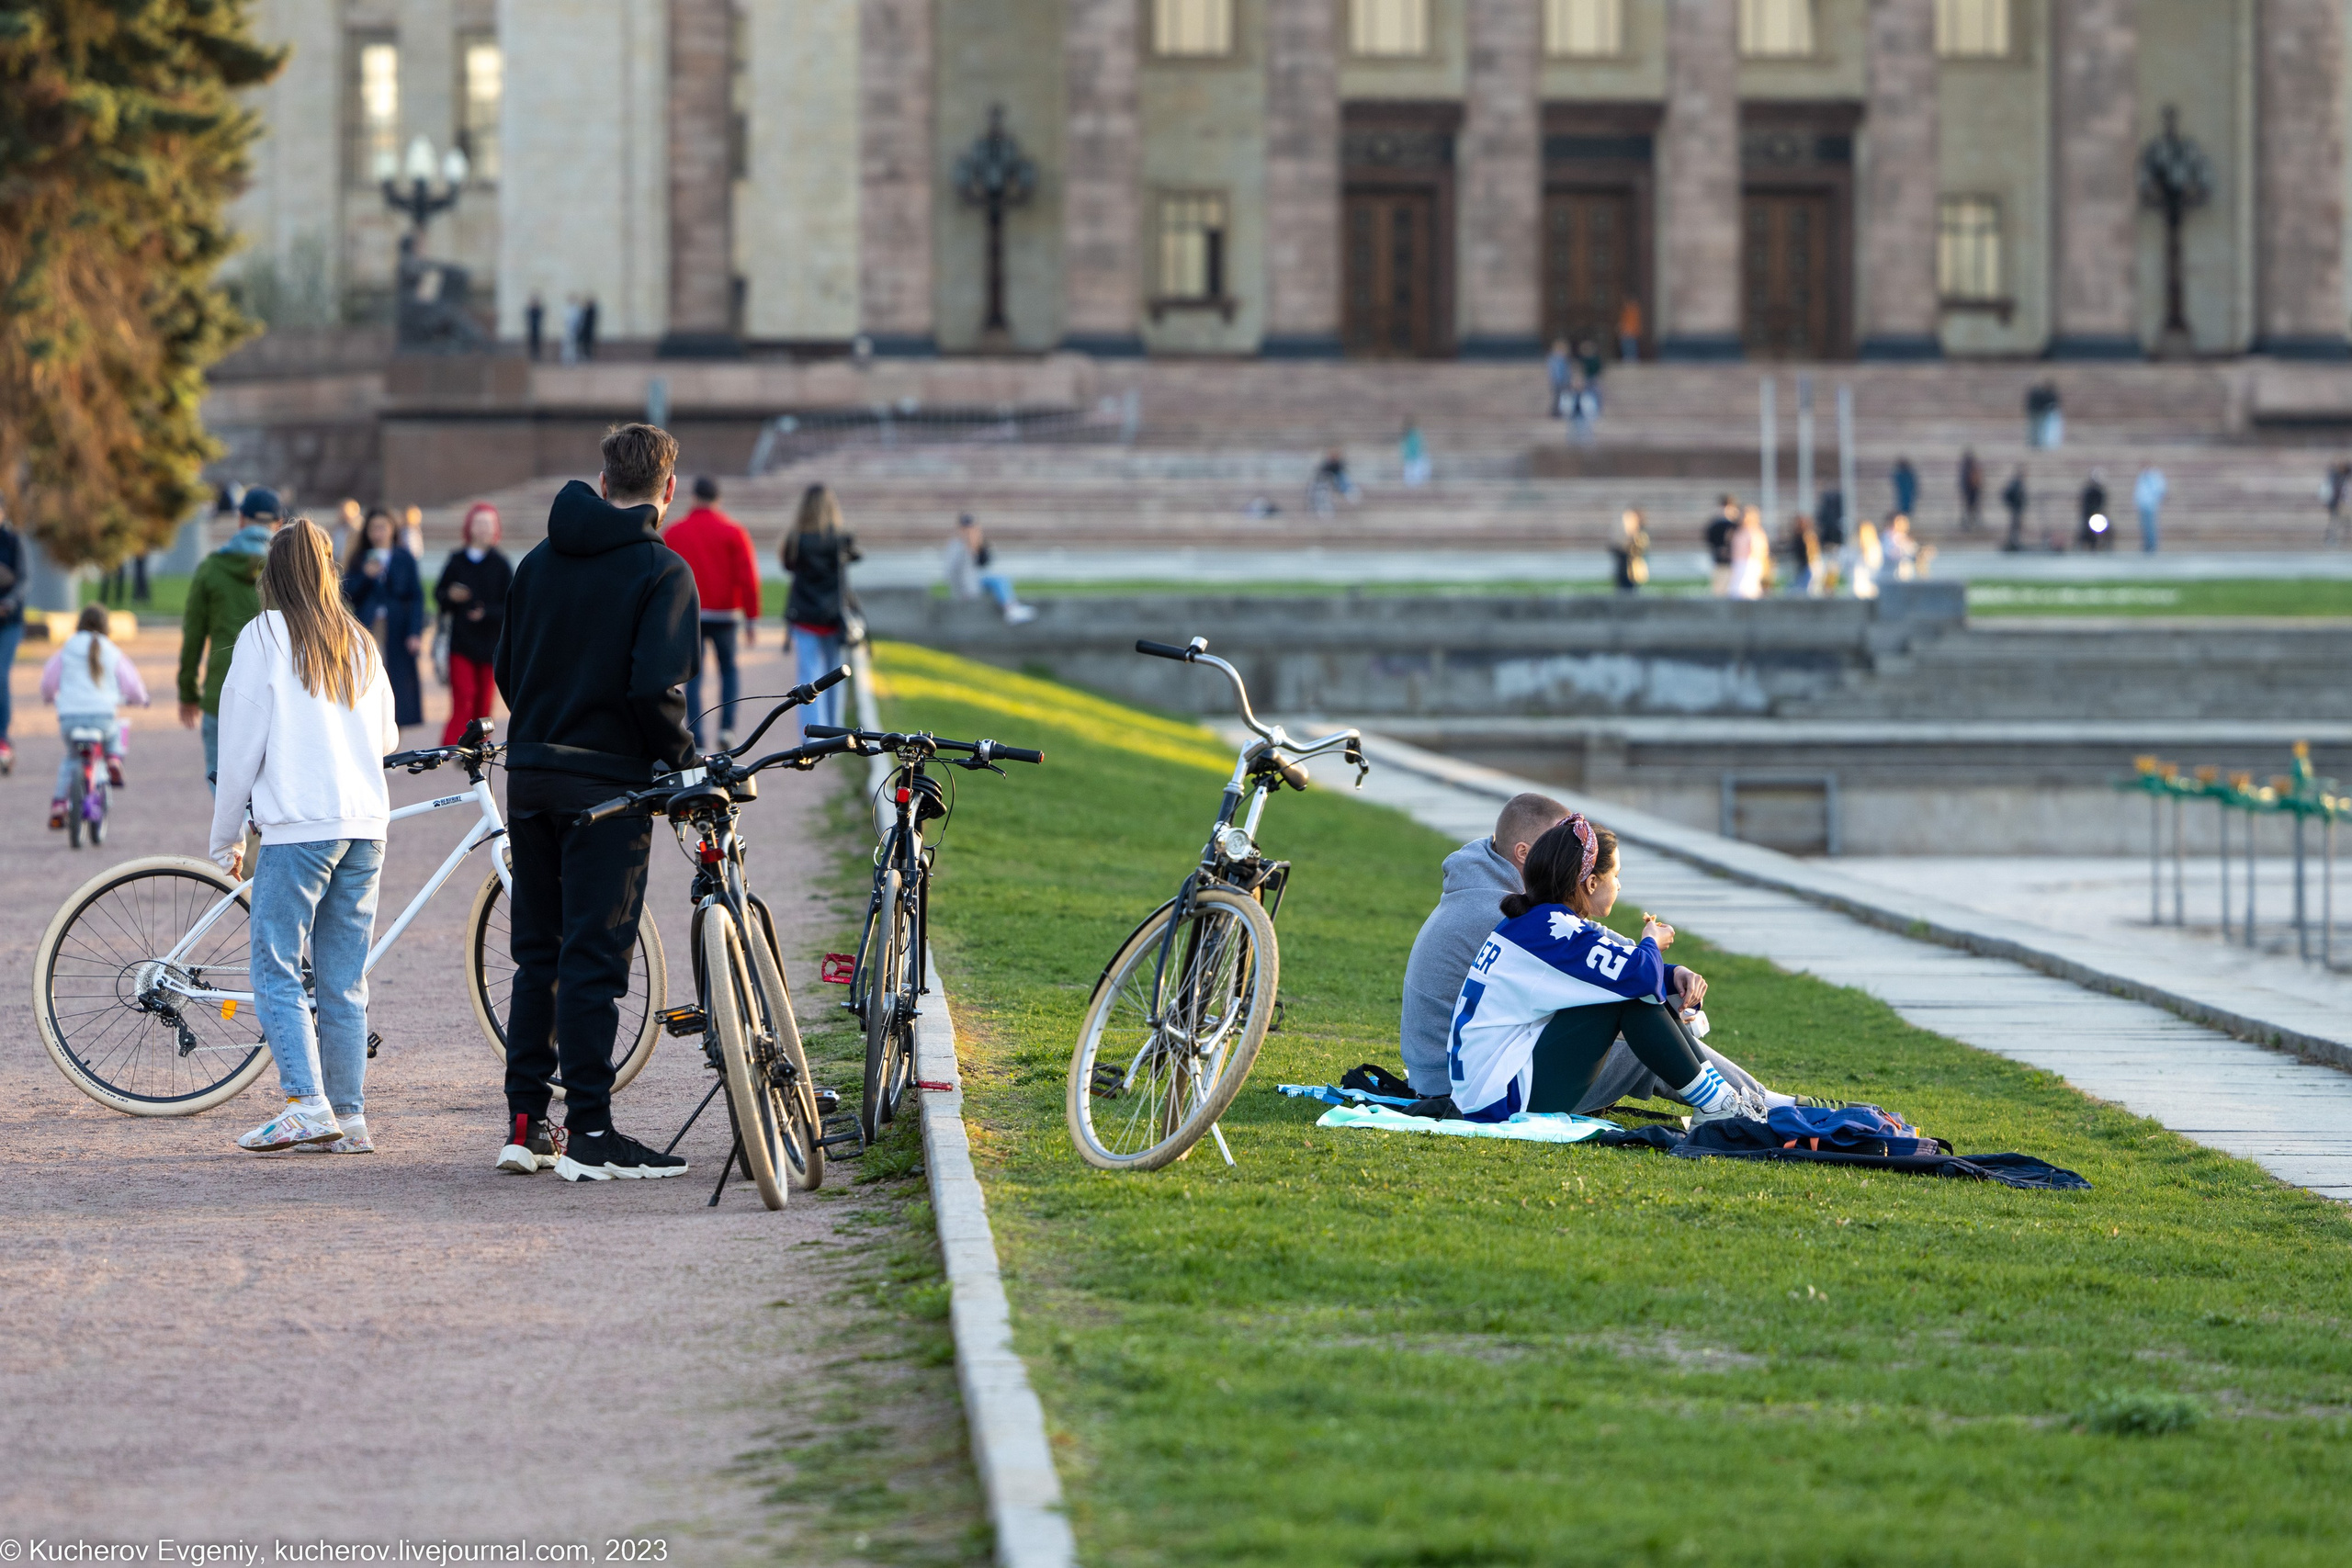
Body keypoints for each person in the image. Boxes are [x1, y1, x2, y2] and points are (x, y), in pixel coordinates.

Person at [493, 423, 699, 1182]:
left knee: (535, 954)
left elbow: (509, 670)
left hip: (533, 772)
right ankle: (590, 1129)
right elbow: (656, 690)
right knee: (594, 956)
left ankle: (524, 1122)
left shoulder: (536, 562)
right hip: (608, 785)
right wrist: (680, 765)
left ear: (603, 480)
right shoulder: (662, 570)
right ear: (667, 490)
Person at [209, 518, 399, 1156]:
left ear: (274, 571)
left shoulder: (263, 635)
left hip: (299, 826)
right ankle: (350, 1115)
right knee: (344, 979)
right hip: (365, 825)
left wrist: (226, 835)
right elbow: (389, 737)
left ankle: (305, 1102)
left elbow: (237, 750)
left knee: (276, 965)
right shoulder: (359, 640)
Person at [1445, 814, 1786, 1125]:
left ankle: (1719, 1101)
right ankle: (1719, 1105)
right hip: (1499, 1100)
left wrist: (1670, 974)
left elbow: (1613, 967)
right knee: (1628, 995)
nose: (1619, 886)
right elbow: (1635, 975)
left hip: (1488, 1091)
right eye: (1616, 876)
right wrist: (1651, 941)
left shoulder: (1539, 922)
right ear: (1591, 883)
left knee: (1626, 988)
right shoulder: (1553, 928)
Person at [180, 485, 284, 792]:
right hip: (274, 689)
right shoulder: (287, 572)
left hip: (223, 689)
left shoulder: (212, 568)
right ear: (278, 524)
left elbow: (193, 636)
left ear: (241, 519)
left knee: (223, 781)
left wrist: (187, 691)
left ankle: (238, 835)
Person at [664, 475, 764, 748]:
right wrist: (752, 619)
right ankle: (726, 729)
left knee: (693, 677)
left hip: (690, 614)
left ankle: (696, 734)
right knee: (729, 670)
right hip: (726, 614)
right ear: (718, 499)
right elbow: (748, 579)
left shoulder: (675, 532)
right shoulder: (733, 531)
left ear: (694, 496)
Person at [41, 604, 150, 827]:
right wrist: (141, 699)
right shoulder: (110, 649)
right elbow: (132, 683)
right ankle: (112, 758)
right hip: (102, 716)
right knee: (113, 734)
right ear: (106, 626)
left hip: (70, 718)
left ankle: (59, 804)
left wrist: (49, 696)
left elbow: (49, 680)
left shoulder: (67, 647)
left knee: (71, 758)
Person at [781, 483, 860, 735]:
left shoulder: (795, 540)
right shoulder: (839, 539)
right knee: (835, 677)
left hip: (805, 616)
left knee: (809, 680)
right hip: (834, 618)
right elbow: (857, 556)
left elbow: (788, 565)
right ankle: (833, 734)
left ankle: (812, 736)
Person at [434, 502, 512, 747]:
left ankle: (478, 746)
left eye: (489, 524)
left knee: (484, 701)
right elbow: (439, 595)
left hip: (490, 644)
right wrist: (451, 596)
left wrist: (486, 612)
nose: (484, 529)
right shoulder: (456, 560)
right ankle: (452, 746)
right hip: (461, 643)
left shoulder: (501, 564)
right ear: (469, 526)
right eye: (479, 523)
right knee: (464, 694)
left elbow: (511, 604)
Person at [341, 508, 426, 728]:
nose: (378, 533)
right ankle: (369, 725)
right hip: (368, 626)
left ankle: (394, 733)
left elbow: (416, 596)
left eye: (382, 527)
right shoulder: (360, 558)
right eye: (373, 528)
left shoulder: (403, 557)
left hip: (398, 626)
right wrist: (366, 577)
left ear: (392, 529)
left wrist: (415, 632)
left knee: (398, 683)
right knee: (368, 676)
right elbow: (346, 593)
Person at [944, 513, 1037, 624]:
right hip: (966, 587)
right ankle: (1011, 609)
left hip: (974, 580)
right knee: (999, 580)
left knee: (1000, 579)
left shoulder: (975, 543)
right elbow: (952, 571)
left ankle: (1011, 608)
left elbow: (984, 562)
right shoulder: (956, 546)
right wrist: (961, 590)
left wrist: (978, 546)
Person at [0, 502, 23, 776]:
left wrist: (10, 601)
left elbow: (24, 580)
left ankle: (2, 737)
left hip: (9, 622)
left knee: (1, 675)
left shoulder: (13, 542)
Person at [1726, 506, 1770, 600]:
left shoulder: (1755, 532)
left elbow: (1759, 551)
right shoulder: (1738, 531)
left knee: (1745, 590)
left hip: (1748, 563)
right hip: (1738, 563)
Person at [1704, 495, 1739, 596]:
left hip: (1734, 562)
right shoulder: (1716, 524)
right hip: (1719, 561)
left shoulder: (1735, 524)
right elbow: (1710, 539)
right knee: (1719, 589)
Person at [1609, 509, 1649, 593]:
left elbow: (1641, 549)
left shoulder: (1640, 534)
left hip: (1633, 568)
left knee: (1632, 587)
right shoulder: (1620, 535)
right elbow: (1614, 548)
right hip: (1623, 566)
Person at [1841, 519, 1883, 600]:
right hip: (1851, 589)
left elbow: (1876, 571)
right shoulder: (1850, 549)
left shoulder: (1874, 549)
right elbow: (1844, 568)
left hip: (1868, 590)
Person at [1782, 513, 1822, 596]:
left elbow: (1812, 552)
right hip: (1801, 566)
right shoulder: (1797, 536)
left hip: (1808, 566)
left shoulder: (1808, 536)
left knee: (1808, 589)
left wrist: (1812, 564)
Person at [1309, 448, 1359, 513]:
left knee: (1342, 477)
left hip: (1334, 482)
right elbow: (1323, 473)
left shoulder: (1338, 464)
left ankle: (1349, 492)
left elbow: (1340, 469)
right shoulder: (1326, 464)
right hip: (1325, 482)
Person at [2133, 465, 2167, 555]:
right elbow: (2139, 491)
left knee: (2151, 526)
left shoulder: (2155, 476)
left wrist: (2156, 500)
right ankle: (2147, 545)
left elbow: (2160, 489)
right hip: (2142, 504)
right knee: (2144, 526)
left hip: (2151, 505)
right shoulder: (2142, 476)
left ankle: (2152, 546)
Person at [2078, 471, 2111, 551]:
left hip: (2098, 515)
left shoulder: (2100, 492)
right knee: (2084, 529)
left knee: (2108, 528)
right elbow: (2085, 506)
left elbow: (2102, 505)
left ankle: (2105, 545)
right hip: (2088, 515)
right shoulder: (2088, 492)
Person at [2000, 466, 2029, 552]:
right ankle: (2012, 543)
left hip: (2018, 509)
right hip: (2015, 509)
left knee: (2016, 527)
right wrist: (2011, 505)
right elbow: (2006, 494)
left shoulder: (2019, 483)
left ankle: (2014, 542)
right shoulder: (2015, 484)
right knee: (2014, 527)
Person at [1958, 449, 1984, 534]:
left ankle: (1971, 524)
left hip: (1972, 492)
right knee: (1970, 510)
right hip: (1970, 493)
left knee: (1971, 509)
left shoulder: (1968, 468)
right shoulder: (1967, 469)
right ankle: (1969, 524)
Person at [1399, 420, 1431, 487]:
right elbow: (1403, 448)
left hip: (1416, 459)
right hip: (1410, 459)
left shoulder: (1417, 434)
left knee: (1416, 478)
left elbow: (1421, 446)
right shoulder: (1406, 436)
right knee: (1410, 480)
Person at [2326, 461, 2350, 547]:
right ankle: (2331, 539)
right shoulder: (2336, 478)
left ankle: (2332, 538)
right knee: (2336, 522)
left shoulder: (2341, 478)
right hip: (2337, 504)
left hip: (2340, 504)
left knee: (2337, 522)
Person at [1545, 339, 1572, 417]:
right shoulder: (1553, 359)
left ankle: (1560, 411)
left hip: (1563, 381)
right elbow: (1553, 371)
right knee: (1557, 397)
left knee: (1562, 397)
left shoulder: (1564, 359)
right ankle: (1555, 412)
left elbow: (1567, 371)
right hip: (1557, 381)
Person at [1891, 457, 1918, 521]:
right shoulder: (1899, 475)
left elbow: (1913, 485)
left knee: (1906, 507)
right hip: (1903, 495)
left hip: (1907, 495)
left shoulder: (1909, 474)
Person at [1616, 296, 1642, 362]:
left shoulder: (1633, 311)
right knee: (1626, 353)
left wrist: (1628, 331)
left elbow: (1635, 324)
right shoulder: (1625, 311)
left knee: (1631, 353)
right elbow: (1622, 323)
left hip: (1630, 335)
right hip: (1626, 335)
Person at [526, 291, 546, 362]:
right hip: (531, 330)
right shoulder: (529, 310)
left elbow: (540, 318)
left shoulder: (539, 310)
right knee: (531, 345)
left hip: (538, 330)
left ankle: (537, 358)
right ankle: (532, 358)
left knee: (538, 345)